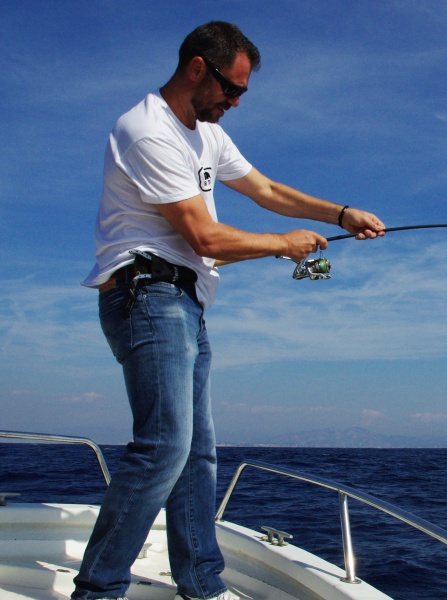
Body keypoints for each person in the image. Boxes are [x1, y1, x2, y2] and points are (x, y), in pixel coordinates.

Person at [75, 21, 385, 600]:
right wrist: (282, 243)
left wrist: (340, 215)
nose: (235, 102)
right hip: (146, 295)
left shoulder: (206, 136)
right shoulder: (147, 131)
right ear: (198, 68)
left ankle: (200, 583)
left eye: (242, 93)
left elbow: (265, 191)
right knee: (164, 446)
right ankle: (96, 591)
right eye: (231, 89)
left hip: (185, 302)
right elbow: (205, 238)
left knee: (197, 453)